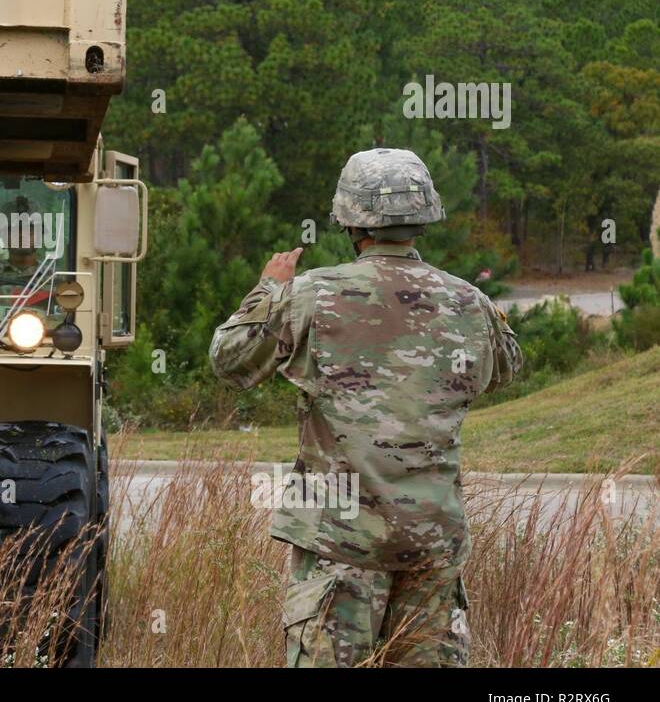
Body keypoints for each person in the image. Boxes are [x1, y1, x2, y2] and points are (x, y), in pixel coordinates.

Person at [209, 147, 523, 667]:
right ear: (425, 214)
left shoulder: (311, 295)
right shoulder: (470, 302)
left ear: (349, 220)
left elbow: (231, 360)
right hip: (432, 544)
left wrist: (269, 290)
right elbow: (506, 369)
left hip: (341, 542)